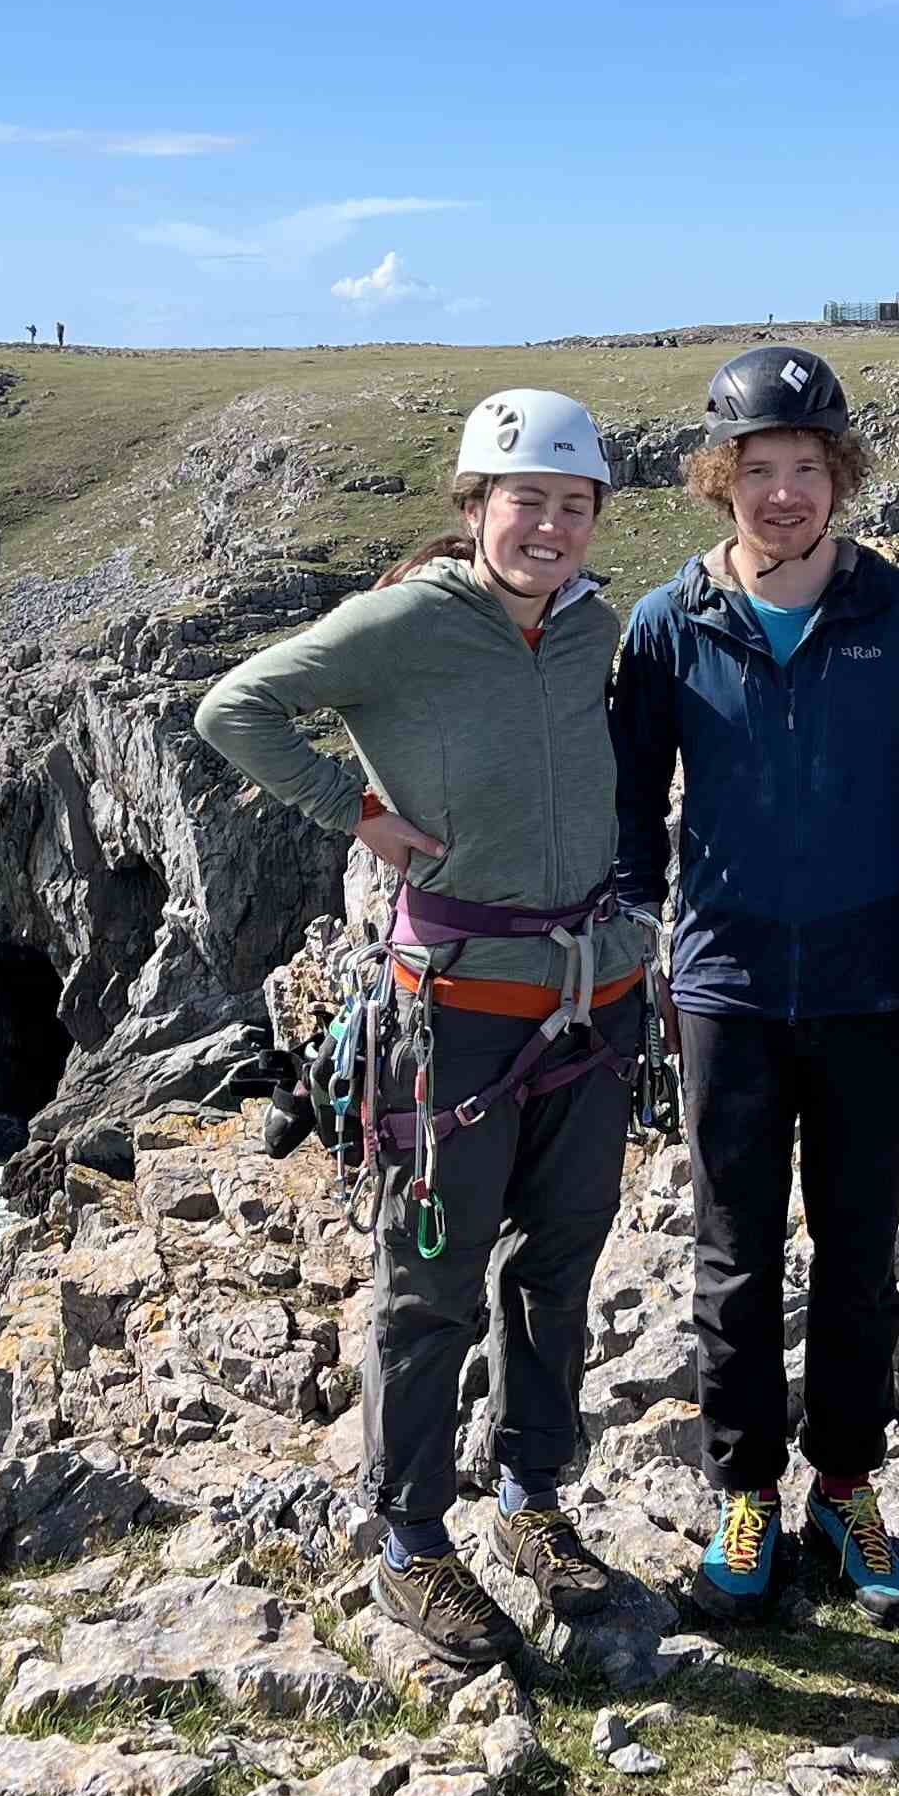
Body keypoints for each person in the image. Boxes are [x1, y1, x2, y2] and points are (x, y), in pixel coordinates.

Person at [195, 388, 652, 1667]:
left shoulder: (590, 626)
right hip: (453, 1008)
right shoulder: (403, 622)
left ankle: (533, 1503)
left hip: (592, 1001)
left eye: (573, 505)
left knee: (559, 1264)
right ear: (476, 507)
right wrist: (355, 811)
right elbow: (234, 708)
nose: (549, 526)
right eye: (526, 502)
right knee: (431, 1286)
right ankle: (410, 1542)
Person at [610, 343, 899, 1622]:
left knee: (856, 1255)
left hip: (866, 987)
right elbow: (629, 817)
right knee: (730, 1255)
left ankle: (845, 1483)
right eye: (759, 470)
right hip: (722, 982)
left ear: (841, 477)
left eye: (808, 469)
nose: (785, 494)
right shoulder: (670, 624)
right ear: (719, 480)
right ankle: (746, 1489)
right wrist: (632, 956)